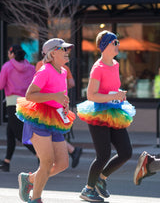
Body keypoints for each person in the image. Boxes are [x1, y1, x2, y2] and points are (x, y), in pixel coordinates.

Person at [77, 30, 136, 202]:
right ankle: (88, 189)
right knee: (103, 154)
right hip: (98, 113)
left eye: (118, 42)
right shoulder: (98, 67)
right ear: (105, 46)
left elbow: (109, 88)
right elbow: (91, 95)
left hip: (115, 112)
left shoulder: (116, 64)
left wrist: (118, 94)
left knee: (126, 152)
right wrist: (113, 96)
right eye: (114, 42)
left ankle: (101, 179)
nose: (118, 45)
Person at [16, 38, 76, 203]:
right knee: (47, 161)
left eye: (67, 49)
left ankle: (30, 180)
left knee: (63, 163)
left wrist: (64, 103)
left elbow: (60, 94)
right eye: (63, 49)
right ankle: (36, 198)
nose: (66, 52)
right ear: (53, 53)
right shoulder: (44, 70)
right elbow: (30, 95)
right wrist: (54, 96)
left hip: (56, 118)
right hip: (38, 118)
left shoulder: (63, 71)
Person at [36, 59, 82, 168]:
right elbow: (72, 83)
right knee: (52, 132)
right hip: (60, 103)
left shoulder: (40, 65)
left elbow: (38, 85)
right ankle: (72, 151)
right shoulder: (64, 68)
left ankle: (44, 163)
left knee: (43, 133)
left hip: (46, 104)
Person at [0, 44, 37, 172]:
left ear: (12, 54)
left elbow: (1, 84)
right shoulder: (31, 68)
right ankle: (6, 162)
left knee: (19, 133)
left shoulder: (7, 66)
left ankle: (40, 154)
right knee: (10, 132)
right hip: (27, 102)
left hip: (12, 103)